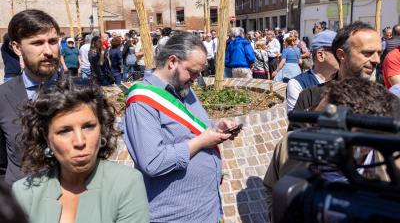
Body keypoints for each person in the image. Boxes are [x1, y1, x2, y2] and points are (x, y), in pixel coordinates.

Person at [123, 32, 238, 222]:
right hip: (175, 216)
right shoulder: (141, 102)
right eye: (192, 71)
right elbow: (153, 163)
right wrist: (202, 142)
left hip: (206, 210)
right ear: (172, 61)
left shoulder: (184, 87)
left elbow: (191, 127)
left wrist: (217, 126)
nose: (196, 77)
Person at [12, 77, 149, 223]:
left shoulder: (126, 183)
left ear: (101, 128)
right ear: (46, 137)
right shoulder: (25, 193)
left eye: (88, 127)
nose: (80, 141)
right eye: (64, 131)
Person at [264, 77, 400, 222]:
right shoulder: (290, 144)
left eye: (325, 128)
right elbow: (271, 188)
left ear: (366, 144)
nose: (311, 131)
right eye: (314, 120)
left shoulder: (395, 166)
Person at [0, 9, 62, 184]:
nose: (48, 51)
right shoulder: (3, 97)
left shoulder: (81, 92)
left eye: (53, 41)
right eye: (37, 43)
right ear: (17, 47)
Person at [292, 21, 382, 113]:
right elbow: (298, 126)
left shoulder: (385, 100)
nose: (377, 60)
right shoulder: (310, 96)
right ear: (341, 54)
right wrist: (318, 114)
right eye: (367, 53)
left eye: (379, 53)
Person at [286, 30, 338, 112]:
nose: (343, 56)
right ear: (320, 55)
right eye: (337, 52)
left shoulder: (346, 79)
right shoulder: (297, 84)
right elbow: (296, 122)